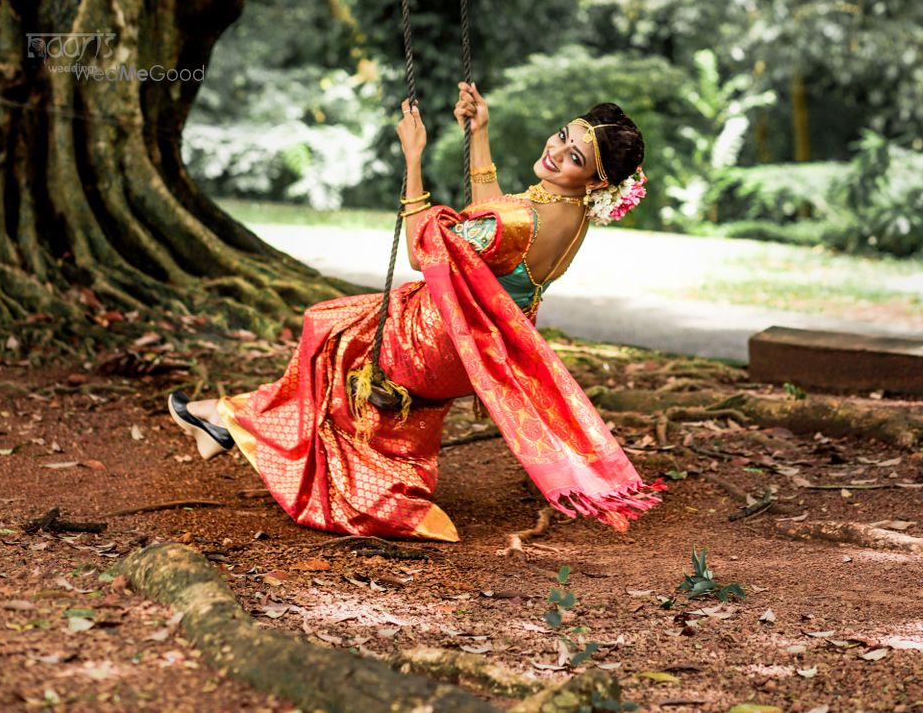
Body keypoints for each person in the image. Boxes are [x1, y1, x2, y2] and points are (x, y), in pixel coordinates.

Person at [167, 83, 661, 542]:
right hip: (479, 350)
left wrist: (412, 158)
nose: (554, 152)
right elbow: (495, 218)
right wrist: (479, 132)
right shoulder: (571, 216)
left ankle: (245, 425)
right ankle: (227, 424)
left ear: (596, 179)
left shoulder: (523, 217)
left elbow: (422, 253)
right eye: (561, 136)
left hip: (442, 340)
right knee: (348, 343)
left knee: (327, 325)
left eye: (572, 155)